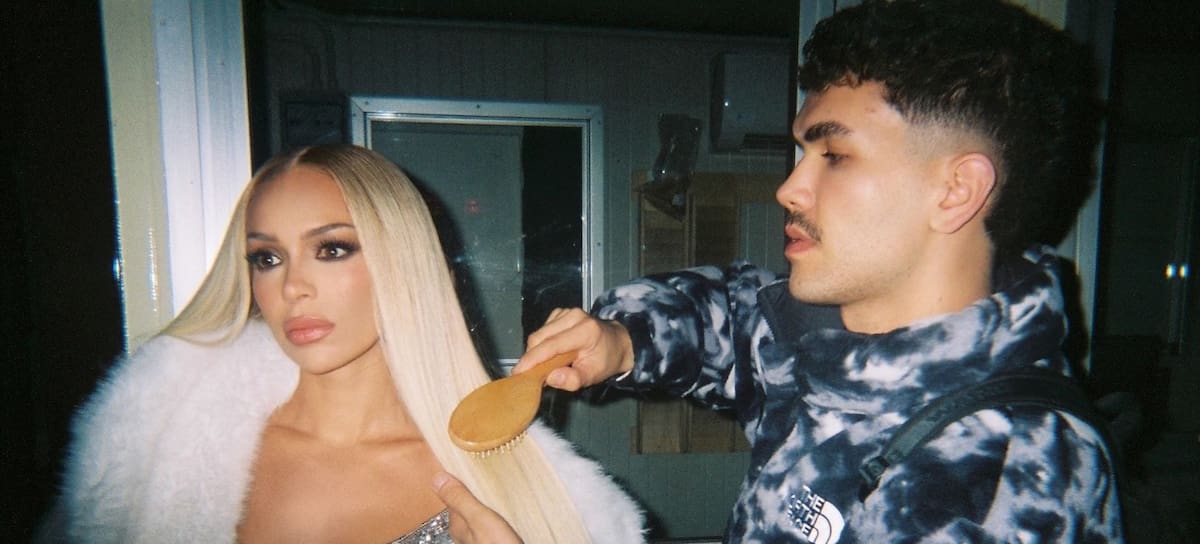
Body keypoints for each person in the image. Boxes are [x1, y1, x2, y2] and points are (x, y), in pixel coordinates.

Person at [511, 0, 1120, 542]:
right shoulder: (826, 339)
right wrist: (623, 340)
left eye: (834, 155)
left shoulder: (1002, 477)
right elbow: (732, 311)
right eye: (804, 152)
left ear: (956, 190)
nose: (789, 188)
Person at [43, 144, 644, 543]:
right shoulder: (156, 443)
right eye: (267, 258)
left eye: (331, 249)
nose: (292, 286)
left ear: (404, 263)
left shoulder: (519, 485)